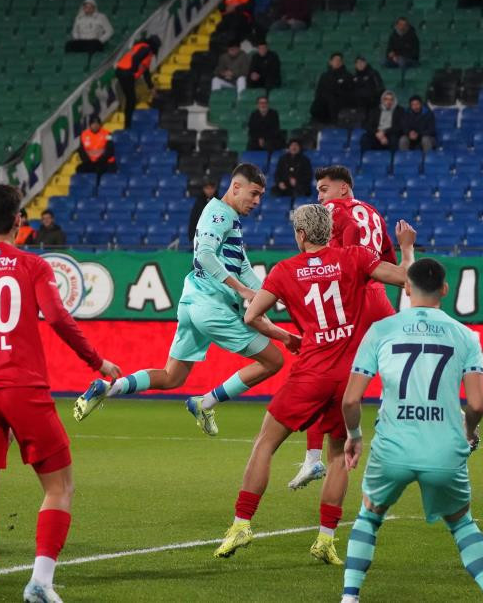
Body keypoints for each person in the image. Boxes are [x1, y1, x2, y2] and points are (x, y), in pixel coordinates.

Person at [0, 182, 121, 603]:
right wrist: (97, 362)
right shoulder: (32, 266)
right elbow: (57, 318)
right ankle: (40, 581)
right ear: (19, 220)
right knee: (59, 487)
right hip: (24, 388)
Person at [214, 205, 413, 564]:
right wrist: (407, 247)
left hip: (309, 372)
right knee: (339, 457)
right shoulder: (354, 256)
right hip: (348, 379)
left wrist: (286, 337)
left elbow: (251, 316)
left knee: (265, 445)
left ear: (301, 235)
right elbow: (407, 280)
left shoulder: (285, 270)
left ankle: (242, 524)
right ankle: (325, 540)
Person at [73, 164, 288, 437]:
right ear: (236, 187)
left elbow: (243, 268)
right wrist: (244, 292)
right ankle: (206, 402)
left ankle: (109, 388)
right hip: (212, 306)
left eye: (261, 196)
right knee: (274, 360)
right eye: (254, 193)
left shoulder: (228, 218)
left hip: (193, 303)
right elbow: (205, 256)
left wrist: (271, 297)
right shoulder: (219, 215)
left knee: (172, 376)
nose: (257, 201)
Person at [340, 258, 483, 603]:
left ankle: (350, 597)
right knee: (462, 524)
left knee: (369, 516)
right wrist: (469, 432)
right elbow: (477, 405)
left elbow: (350, 400)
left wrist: (354, 436)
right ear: (445, 290)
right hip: (444, 448)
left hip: (392, 446)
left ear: (405, 287)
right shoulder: (465, 335)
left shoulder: (381, 330)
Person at [289, 165, 401, 489]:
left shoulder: (334, 209)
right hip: (378, 293)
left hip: (352, 296)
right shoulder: (375, 214)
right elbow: (390, 257)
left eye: (324, 188)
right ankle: (397, 410)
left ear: (343, 189)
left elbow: (349, 228)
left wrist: (342, 265)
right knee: (396, 359)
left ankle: (312, 459)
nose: (319, 195)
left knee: (320, 371)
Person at [115, 35, 160, 129]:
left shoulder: (141, 48)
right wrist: (135, 68)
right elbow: (135, 58)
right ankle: (127, 125)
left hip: (122, 72)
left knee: (131, 99)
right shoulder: (146, 48)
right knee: (131, 100)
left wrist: (151, 87)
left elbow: (146, 72)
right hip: (127, 73)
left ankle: (128, 123)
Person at [310, 53, 351, 125]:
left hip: (340, 105)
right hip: (325, 106)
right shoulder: (324, 76)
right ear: (330, 62)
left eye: (339, 60)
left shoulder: (347, 76)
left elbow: (348, 93)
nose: (337, 62)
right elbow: (319, 91)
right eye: (335, 60)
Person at [345, 56, 384, 122]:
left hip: (372, 101)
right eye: (358, 63)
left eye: (362, 62)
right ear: (355, 65)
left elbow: (380, 88)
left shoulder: (373, 73)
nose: (360, 64)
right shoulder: (353, 75)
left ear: (365, 63)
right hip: (359, 102)